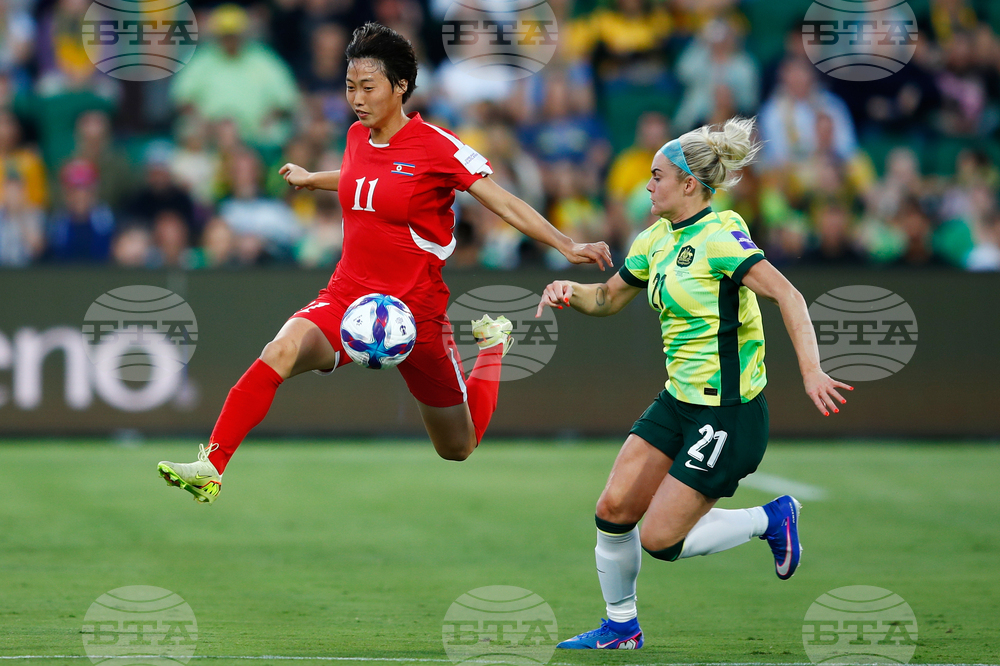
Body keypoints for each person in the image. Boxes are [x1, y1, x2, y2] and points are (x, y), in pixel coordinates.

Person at [157, 23, 611, 504]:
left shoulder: (436, 146)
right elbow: (363, 178)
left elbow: (502, 201)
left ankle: (492, 346)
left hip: (416, 313)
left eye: (368, 87)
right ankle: (212, 466)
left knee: (457, 447)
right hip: (346, 298)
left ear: (400, 87)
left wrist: (565, 243)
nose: (357, 98)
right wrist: (313, 179)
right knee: (280, 351)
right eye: (350, 86)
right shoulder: (357, 136)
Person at [535, 117, 852, 650]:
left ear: (688, 184)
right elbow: (608, 298)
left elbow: (789, 295)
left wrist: (811, 369)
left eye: (657, 176)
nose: (647, 185)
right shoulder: (655, 239)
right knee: (613, 509)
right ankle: (621, 628)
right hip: (678, 401)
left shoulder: (721, 236)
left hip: (728, 412)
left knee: (660, 539)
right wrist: (571, 290)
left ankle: (771, 517)